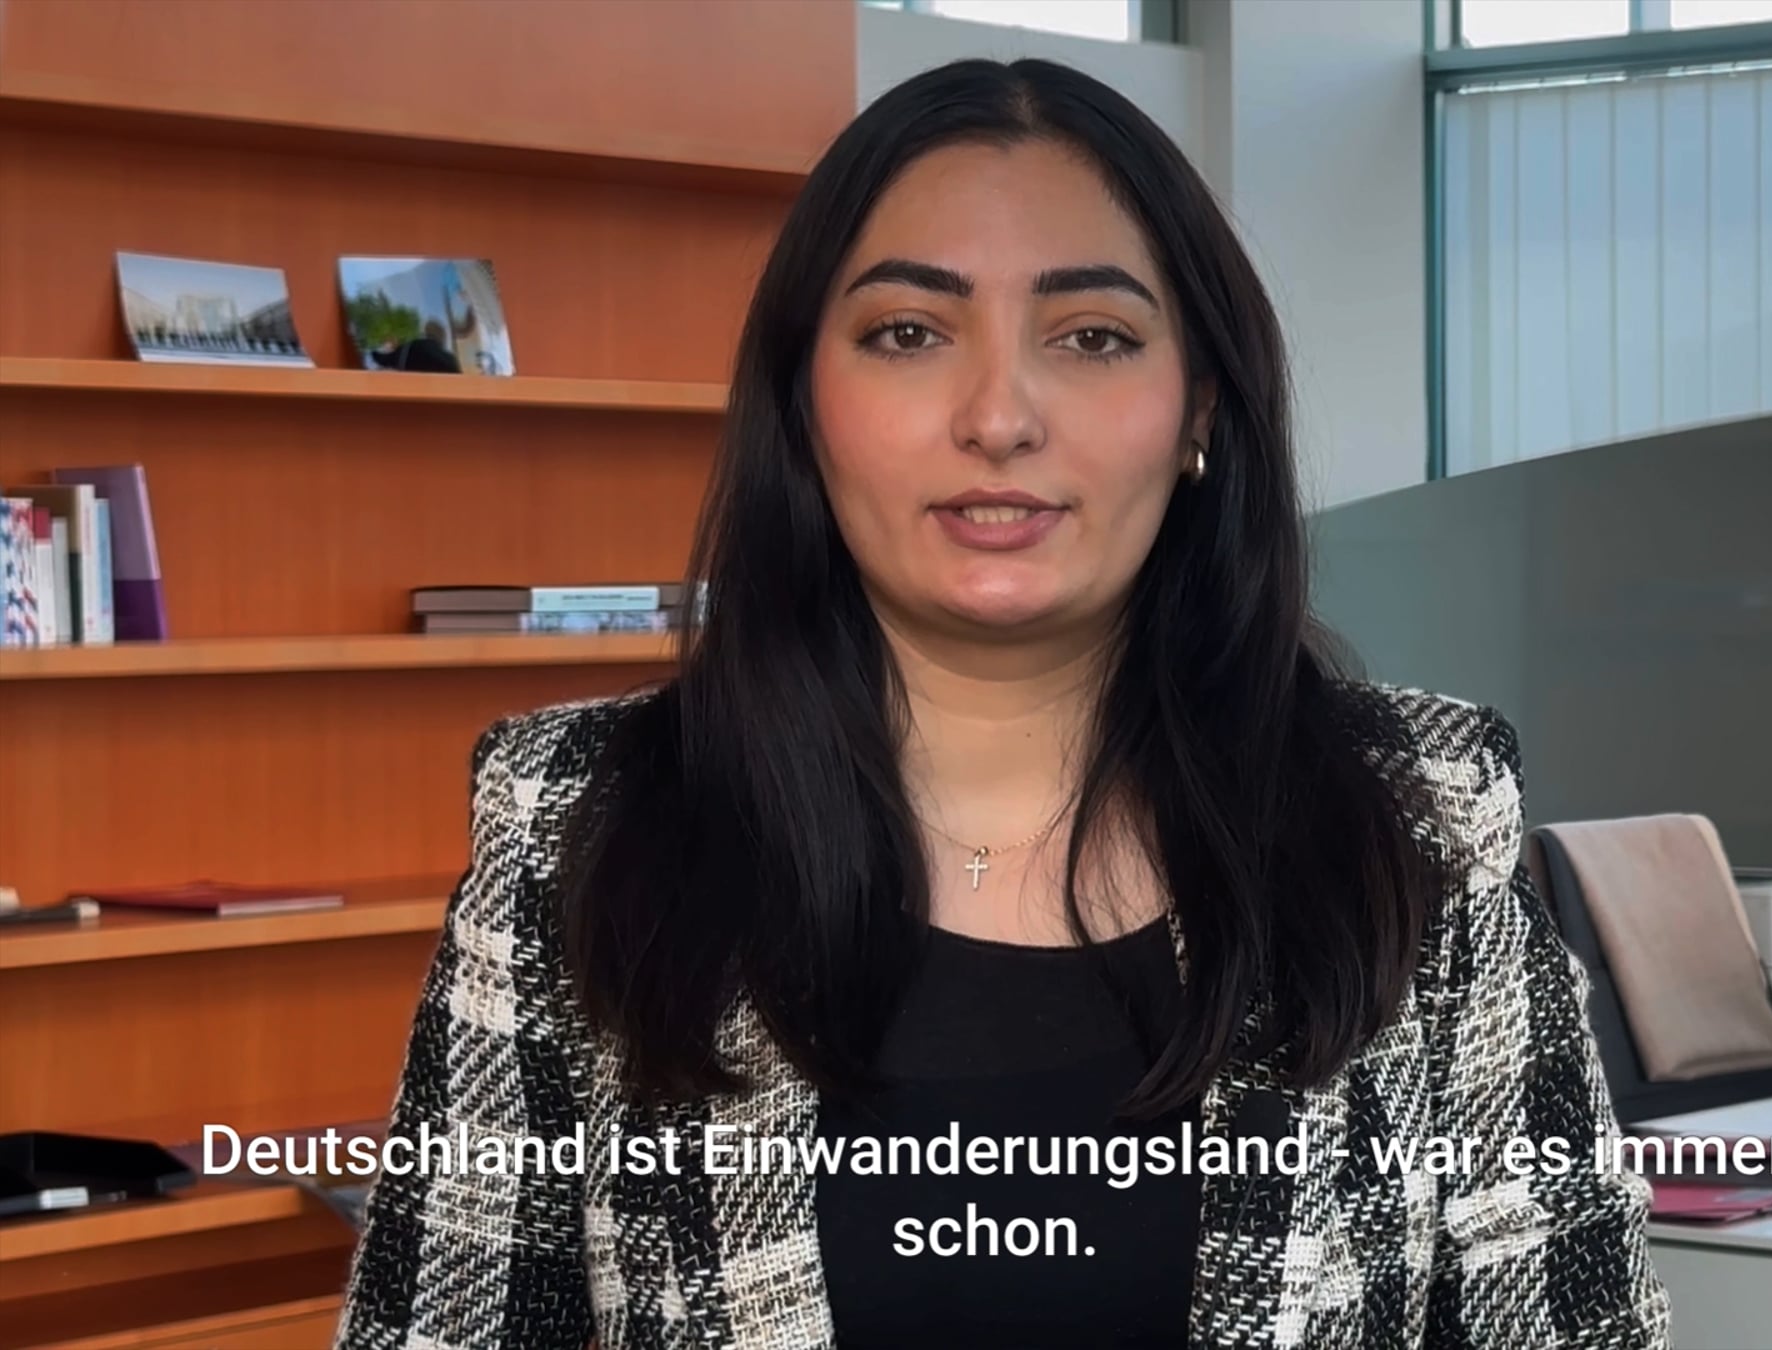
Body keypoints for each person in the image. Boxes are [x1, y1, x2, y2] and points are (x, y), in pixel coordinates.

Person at [334, 58, 1666, 1350]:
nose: (998, 416)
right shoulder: (581, 821)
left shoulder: (1416, 815)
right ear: (803, 403)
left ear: (1199, 410)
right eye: (908, 333)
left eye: (1092, 338)